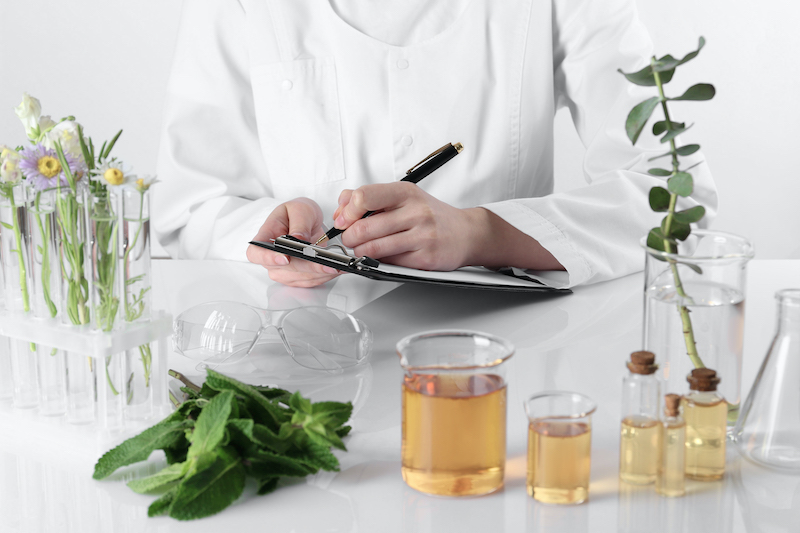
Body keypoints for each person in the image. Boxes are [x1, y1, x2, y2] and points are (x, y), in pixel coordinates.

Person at [154, 0, 717, 288]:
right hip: (305, 360)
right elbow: (190, 209)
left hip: (507, 362)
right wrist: (273, 233)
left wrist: (481, 234)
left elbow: (677, 200)